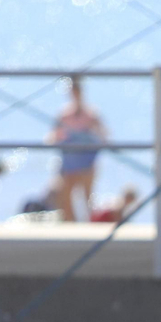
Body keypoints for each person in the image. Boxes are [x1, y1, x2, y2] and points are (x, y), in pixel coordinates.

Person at [47, 76, 107, 222]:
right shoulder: (64, 114)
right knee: (65, 196)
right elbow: (52, 137)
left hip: (87, 163)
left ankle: (91, 224)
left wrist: (87, 139)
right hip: (69, 164)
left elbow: (103, 135)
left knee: (88, 196)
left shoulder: (91, 113)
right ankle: (71, 225)